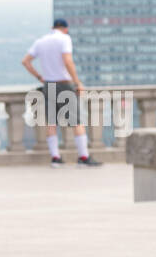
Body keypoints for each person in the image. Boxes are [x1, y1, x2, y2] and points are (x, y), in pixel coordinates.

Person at [21, 18, 101, 167]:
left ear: (52, 27)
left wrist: (39, 77)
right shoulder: (65, 39)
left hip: (48, 85)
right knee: (76, 122)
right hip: (64, 84)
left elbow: (25, 61)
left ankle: (55, 157)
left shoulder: (41, 42)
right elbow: (68, 61)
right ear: (65, 28)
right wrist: (77, 82)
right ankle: (83, 157)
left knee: (51, 122)